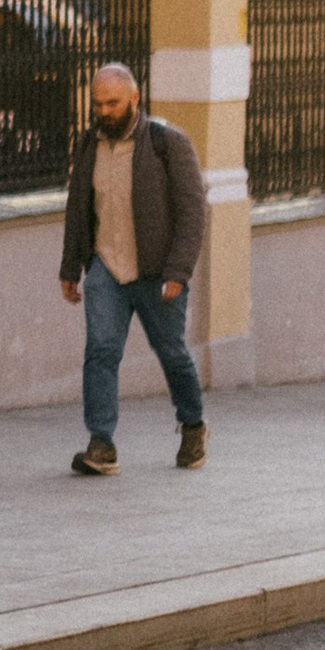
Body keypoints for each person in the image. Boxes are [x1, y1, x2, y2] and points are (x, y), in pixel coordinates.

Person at [59, 60, 208, 476]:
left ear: (135, 99)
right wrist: (71, 266)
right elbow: (78, 207)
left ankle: (193, 424)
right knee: (101, 352)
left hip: (156, 271)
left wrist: (179, 271)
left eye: (113, 103)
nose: (104, 112)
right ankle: (101, 444)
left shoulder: (167, 142)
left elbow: (193, 212)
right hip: (106, 267)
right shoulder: (90, 145)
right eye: (98, 104)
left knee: (172, 353)